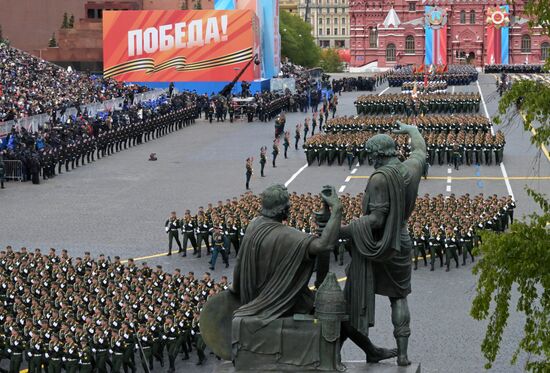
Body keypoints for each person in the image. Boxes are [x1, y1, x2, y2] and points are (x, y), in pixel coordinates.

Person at [339, 122, 427, 366]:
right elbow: (420, 149)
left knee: (350, 297)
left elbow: (376, 220)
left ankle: (335, 349)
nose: (370, 160)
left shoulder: (379, 178)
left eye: (371, 155)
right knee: (399, 298)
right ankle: (402, 354)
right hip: (402, 238)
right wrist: (411, 130)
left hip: (377, 244)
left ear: (379, 155)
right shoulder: (411, 167)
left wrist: (343, 229)